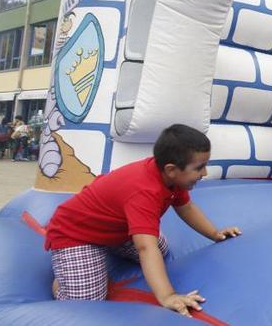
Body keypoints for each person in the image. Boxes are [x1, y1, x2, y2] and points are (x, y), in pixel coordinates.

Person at [44, 124, 241, 316]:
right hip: (76, 233)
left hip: (116, 229)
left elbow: (186, 207)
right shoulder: (144, 191)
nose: (204, 174)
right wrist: (168, 296)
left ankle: (100, 251)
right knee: (88, 302)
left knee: (161, 248)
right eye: (199, 168)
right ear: (171, 169)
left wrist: (214, 234)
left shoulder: (171, 178)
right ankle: (64, 282)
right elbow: (145, 248)